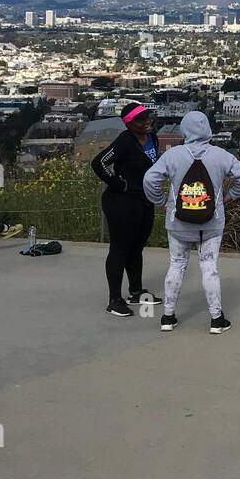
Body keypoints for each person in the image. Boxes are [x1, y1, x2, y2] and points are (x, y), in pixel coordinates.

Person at [143, 111, 240, 334]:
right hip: (211, 223)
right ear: (208, 130)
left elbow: (149, 179)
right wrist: (229, 196)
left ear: (184, 130)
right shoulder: (221, 155)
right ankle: (216, 319)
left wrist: (162, 202)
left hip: (178, 223)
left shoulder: (173, 155)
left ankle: (167, 316)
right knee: (209, 267)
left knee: (176, 265)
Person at [91, 101, 162, 318]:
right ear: (130, 124)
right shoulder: (125, 141)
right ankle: (114, 299)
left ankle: (136, 290)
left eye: (147, 116)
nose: (146, 121)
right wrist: (117, 183)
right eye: (140, 119)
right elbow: (99, 162)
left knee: (137, 246)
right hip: (121, 202)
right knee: (120, 248)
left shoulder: (152, 138)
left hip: (144, 200)